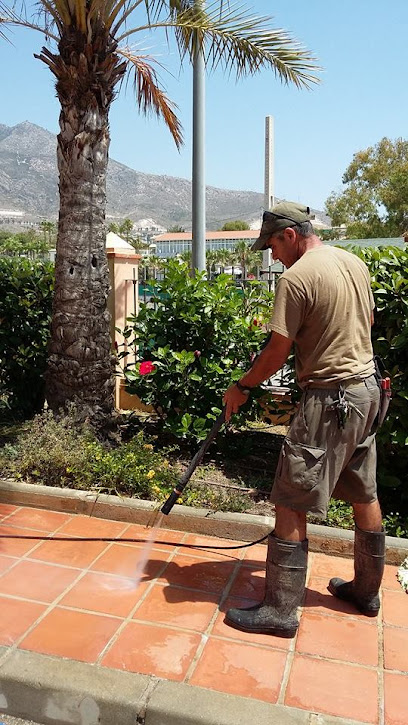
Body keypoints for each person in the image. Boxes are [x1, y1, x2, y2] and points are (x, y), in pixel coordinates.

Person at [222, 201, 384, 638]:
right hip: (368, 391)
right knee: (362, 488)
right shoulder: (353, 262)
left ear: (290, 234)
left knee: (291, 494)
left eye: (272, 243)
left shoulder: (296, 279)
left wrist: (242, 387)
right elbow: (367, 321)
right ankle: (366, 592)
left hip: (330, 399)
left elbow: (277, 352)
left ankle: (279, 610)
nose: (271, 254)